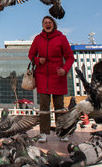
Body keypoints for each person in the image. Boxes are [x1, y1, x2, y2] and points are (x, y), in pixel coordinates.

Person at [28, 15, 74, 143]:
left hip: (58, 75)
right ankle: (43, 132)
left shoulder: (61, 38)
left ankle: (61, 132)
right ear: (42, 25)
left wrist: (64, 69)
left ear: (53, 24)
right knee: (44, 105)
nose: (47, 24)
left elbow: (70, 57)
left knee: (59, 106)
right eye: (45, 23)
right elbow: (31, 55)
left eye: (49, 22)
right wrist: (38, 60)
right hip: (42, 76)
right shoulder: (38, 39)